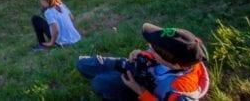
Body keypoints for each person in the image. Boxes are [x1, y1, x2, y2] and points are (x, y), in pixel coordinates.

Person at [76, 23, 210, 100]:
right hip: (140, 71)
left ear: (173, 64)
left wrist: (140, 91)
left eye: (153, 49)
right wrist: (142, 55)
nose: (149, 48)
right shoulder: (181, 59)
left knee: (100, 82)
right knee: (83, 64)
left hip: (143, 90)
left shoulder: (180, 92)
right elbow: (158, 57)